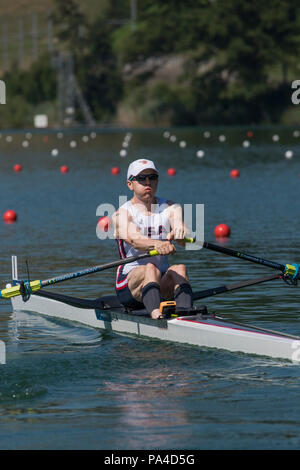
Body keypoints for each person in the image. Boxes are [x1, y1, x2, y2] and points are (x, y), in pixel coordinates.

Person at [112, 158, 193, 319]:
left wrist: (181, 233)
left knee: (179, 269)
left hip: (160, 281)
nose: (148, 182)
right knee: (149, 268)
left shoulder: (171, 207)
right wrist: (158, 244)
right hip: (130, 285)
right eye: (141, 178)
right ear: (130, 184)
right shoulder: (121, 214)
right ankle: (157, 316)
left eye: (152, 177)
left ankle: (187, 316)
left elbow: (181, 228)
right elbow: (135, 240)